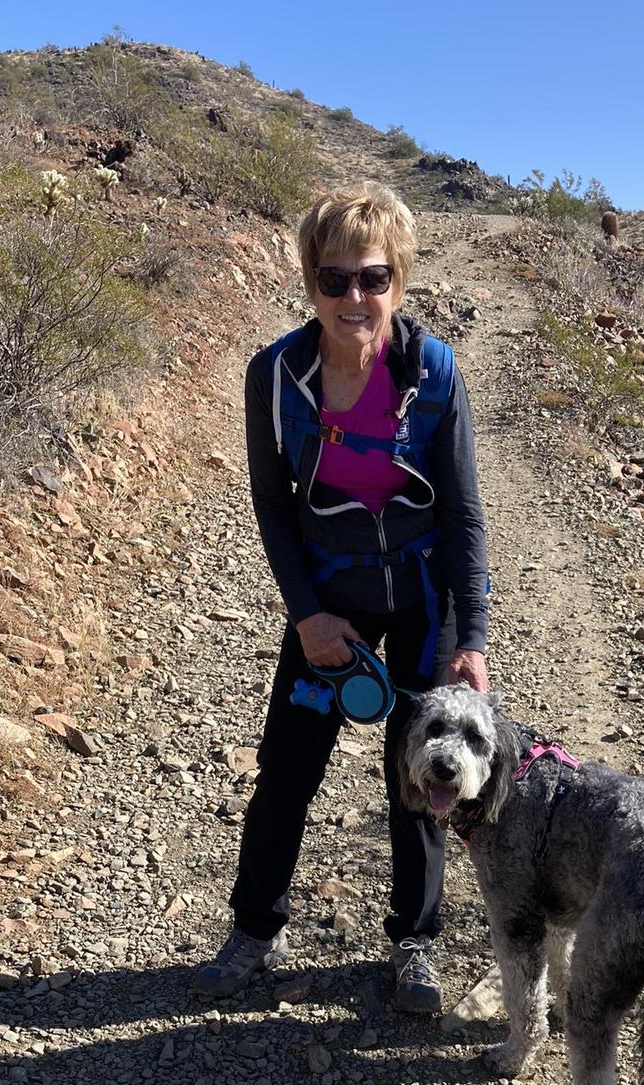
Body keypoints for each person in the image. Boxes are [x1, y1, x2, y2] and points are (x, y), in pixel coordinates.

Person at [194, 182, 489, 1012]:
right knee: (287, 770)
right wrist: (308, 615)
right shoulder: (277, 375)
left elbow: (464, 512)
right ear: (310, 282)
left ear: (399, 280)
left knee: (424, 777)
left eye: (373, 278)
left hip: (423, 601)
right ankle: (255, 928)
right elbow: (272, 504)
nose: (354, 297)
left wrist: (472, 636)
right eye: (334, 279)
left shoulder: (432, 372)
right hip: (330, 600)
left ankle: (416, 943)